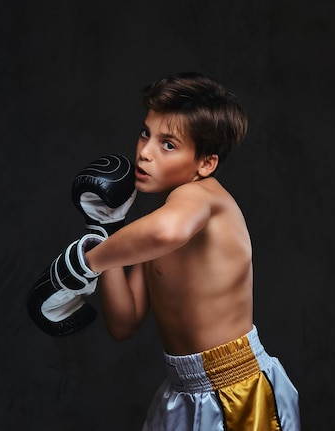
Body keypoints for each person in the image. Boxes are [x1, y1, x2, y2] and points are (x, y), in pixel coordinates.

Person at [78, 72, 299, 430]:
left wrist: (85, 261)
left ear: (206, 163)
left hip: (237, 389)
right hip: (183, 390)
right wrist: (104, 234)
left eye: (168, 144)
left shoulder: (200, 196)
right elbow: (124, 323)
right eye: (145, 133)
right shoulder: (153, 230)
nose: (145, 153)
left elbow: (168, 230)